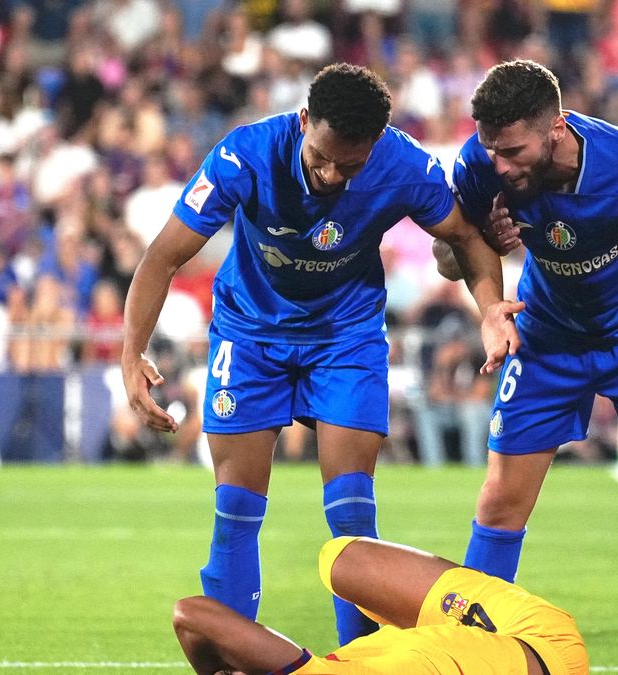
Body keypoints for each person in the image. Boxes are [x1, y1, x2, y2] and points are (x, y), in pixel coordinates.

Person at [122, 63, 519, 647]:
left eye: (350, 165)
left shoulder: (402, 164)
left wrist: (489, 308)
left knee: (353, 516)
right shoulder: (245, 155)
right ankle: (237, 660)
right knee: (235, 509)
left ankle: (362, 659)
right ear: (304, 120)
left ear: (376, 145)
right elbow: (162, 256)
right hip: (249, 334)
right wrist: (131, 354)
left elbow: (463, 237)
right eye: (322, 158)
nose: (333, 174)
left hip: (345, 336)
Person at [438, 60, 618, 674]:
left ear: (557, 128)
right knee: (500, 503)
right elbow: (447, 256)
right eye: (491, 150)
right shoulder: (480, 163)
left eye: (513, 151)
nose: (501, 165)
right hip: (546, 337)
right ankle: (472, 663)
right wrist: (480, 235)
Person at [172, 536, 589, 675]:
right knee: (338, 557)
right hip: (546, 648)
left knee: (339, 559)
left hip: (481, 639)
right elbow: (191, 614)